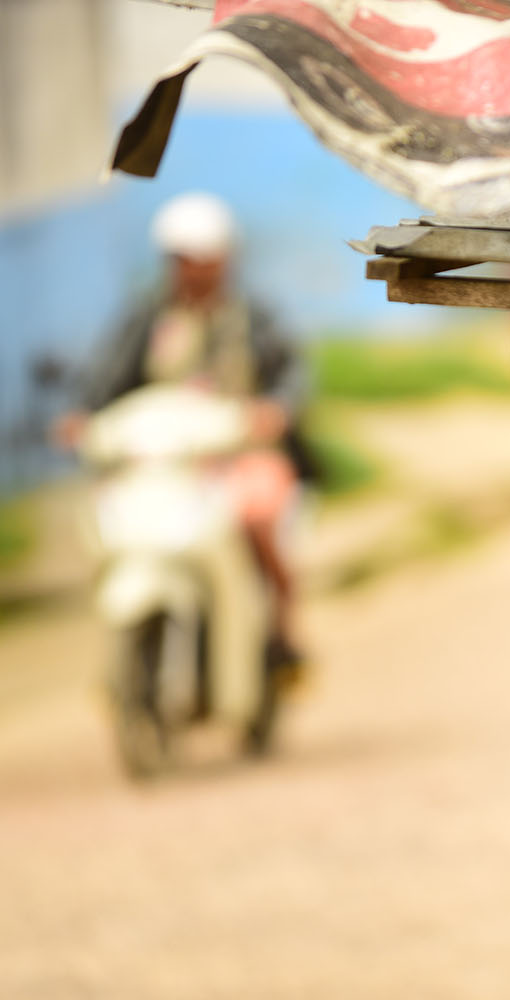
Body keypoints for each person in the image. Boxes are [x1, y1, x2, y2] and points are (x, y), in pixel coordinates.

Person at [75, 192, 314, 664]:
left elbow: (292, 375)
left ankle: (279, 629)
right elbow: (107, 378)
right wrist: (84, 416)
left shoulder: (252, 318)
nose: (198, 271)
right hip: (168, 461)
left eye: (208, 260)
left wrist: (277, 409)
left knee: (257, 517)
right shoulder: (147, 320)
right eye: (187, 261)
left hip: (240, 454)